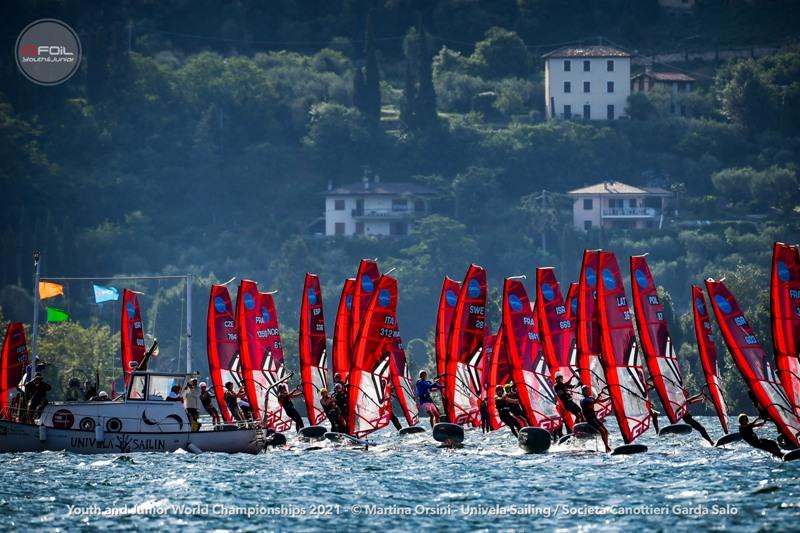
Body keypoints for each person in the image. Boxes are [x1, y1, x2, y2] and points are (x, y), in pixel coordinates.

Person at [580, 385, 612, 453]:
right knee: (602, 431)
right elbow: (594, 402)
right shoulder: (583, 400)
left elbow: (601, 401)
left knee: (605, 431)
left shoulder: (590, 398)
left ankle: (607, 447)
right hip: (590, 419)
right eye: (585, 391)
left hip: (594, 418)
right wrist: (600, 394)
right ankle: (606, 447)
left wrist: (609, 397)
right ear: (583, 392)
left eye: (588, 390)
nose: (587, 392)